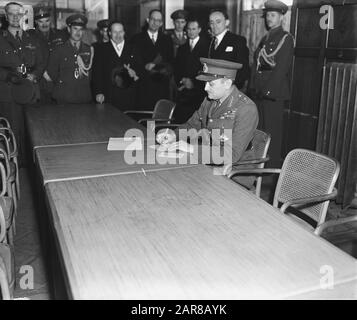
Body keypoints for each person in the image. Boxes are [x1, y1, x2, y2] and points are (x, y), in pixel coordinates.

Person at [157, 58, 259, 182]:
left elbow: (232, 154)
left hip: (234, 172)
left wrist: (192, 148)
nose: (205, 88)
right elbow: (192, 125)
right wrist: (173, 134)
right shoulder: (210, 100)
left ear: (227, 84)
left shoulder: (245, 108)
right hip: (209, 164)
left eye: (211, 84)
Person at [250, 0, 294, 167]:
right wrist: (254, 88)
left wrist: (267, 91)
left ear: (282, 17)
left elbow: (281, 69)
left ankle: (270, 169)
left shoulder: (285, 38)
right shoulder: (266, 39)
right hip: (260, 92)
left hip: (273, 94)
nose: (269, 18)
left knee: (272, 133)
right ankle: (258, 166)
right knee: (260, 131)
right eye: (267, 15)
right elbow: (257, 66)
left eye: (273, 15)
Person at [0, 2, 45, 166]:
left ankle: (33, 171)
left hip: (30, 92)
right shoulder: (1, 39)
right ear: (6, 15)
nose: (14, 17)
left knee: (32, 133)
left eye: (18, 14)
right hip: (9, 94)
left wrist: (34, 75)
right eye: (11, 13)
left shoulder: (31, 39)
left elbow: (41, 63)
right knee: (13, 134)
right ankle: (14, 169)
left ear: (22, 15)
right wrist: (10, 76)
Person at [92, 21, 142, 110]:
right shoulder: (101, 49)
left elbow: (140, 69)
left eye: (120, 32)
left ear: (124, 32)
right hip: (109, 95)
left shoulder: (134, 48)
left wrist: (135, 73)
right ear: (110, 33)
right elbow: (97, 73)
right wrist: (98, 92)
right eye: (115, 32)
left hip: (130, 96)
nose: (118, 35)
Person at [130, 9, 174, 110]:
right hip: (143, 86)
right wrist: (144, 66)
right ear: (148, 20)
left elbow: (171, 63)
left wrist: (157, 67)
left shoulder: (167, 39)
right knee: (144, 119)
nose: (155, 23)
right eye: (153, 19)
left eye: (158, 20)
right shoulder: (136, 39)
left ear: (161, 23)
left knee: (160, 119)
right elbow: (133, 63)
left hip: (161, 86)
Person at [47, 14, 93, 104]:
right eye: (75, 29)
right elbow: (52, 71)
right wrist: (64, 82)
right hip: (63, 95)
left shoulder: (89, 49)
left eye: (81, 29)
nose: (78, 32)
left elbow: (91, 74)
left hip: (83, 96)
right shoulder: (59, 49)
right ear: (69, 29)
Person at [174, 18, 209, 123]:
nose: (191, 32)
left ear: (199, 30)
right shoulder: (182, 48)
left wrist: (193, 83)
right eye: (188, 29)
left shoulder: (207, 47)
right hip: (183, 92)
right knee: (182, 121)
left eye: (194, 29)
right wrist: (181, 81)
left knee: (197, 123)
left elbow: (206, 70)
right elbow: (177, 69)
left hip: (199, 92)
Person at [29, 6, 67, 104]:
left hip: (58, 82)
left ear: (51, 21)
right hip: (39, 83)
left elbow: (66, 56)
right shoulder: (29, 36)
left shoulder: (61, 35)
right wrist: (43, 73)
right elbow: (27, 59)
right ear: (36, 22)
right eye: (41, 21)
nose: (44, 24)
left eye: (47, 21)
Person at [207, 9, 249, 90]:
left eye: (218, 22)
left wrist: (233, 86)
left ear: (227, 22)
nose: (214, 25)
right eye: (211, 23)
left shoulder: (237, 40)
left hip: (230, 88)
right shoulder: (209, 42)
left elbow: (244, 70)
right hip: (213, 88)